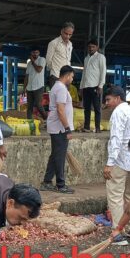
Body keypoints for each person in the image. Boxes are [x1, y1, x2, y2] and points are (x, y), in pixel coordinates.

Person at [103, 86, 130, 246]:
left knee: (115, 196)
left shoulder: (118, 113)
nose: (107, 103)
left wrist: (110, 163)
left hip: (120, 160)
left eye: (108, 99)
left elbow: (116, 138)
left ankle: (118, 231)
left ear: (117, 98)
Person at [40, 65, 75, 194]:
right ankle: (61, 184)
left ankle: (47, 181)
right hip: (60, 128)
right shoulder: (61, 88)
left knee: (55, 155)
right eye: (72, 77)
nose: (72, 79)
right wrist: (67, 129)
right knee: (59, 156)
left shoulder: (57, 87)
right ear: (67, 75)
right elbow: (61, 110)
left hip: (57, 127)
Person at [79, 39, 107, 133]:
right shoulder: (86, 58)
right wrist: (81, 87)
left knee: (96, 108)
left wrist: (100, 85)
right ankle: (86, 127)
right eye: (89, 47)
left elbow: (103, 72)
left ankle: (97, 128)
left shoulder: (101, 57)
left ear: (97, 47)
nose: (91, 48)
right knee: (86, 108)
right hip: (86, 87)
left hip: (96, 86)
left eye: (93, 47)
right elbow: (84, 74)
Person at [23, 47, 48, 121]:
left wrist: (33, 62)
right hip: (29, 87)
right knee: (29, 106)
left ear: (39, 53)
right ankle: (29, 122)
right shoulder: (29, 64)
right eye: (33, 53)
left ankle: (46, 119)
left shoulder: (42, 59)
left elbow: (39, 70)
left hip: (39, 86)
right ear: (31, 53)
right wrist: (24, 88)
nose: (35, 54)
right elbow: (26, 77)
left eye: (37, 53)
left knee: (38, 104)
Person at [46, 22, 74, 87]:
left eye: (70, 34)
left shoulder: (70, 44)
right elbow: (48, 60)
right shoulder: (53, 43)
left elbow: (68, 60)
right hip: (56, 76)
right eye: (66, 33)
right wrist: (54, 71)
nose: (67, 36)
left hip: (67, 77)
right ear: (61, 31)